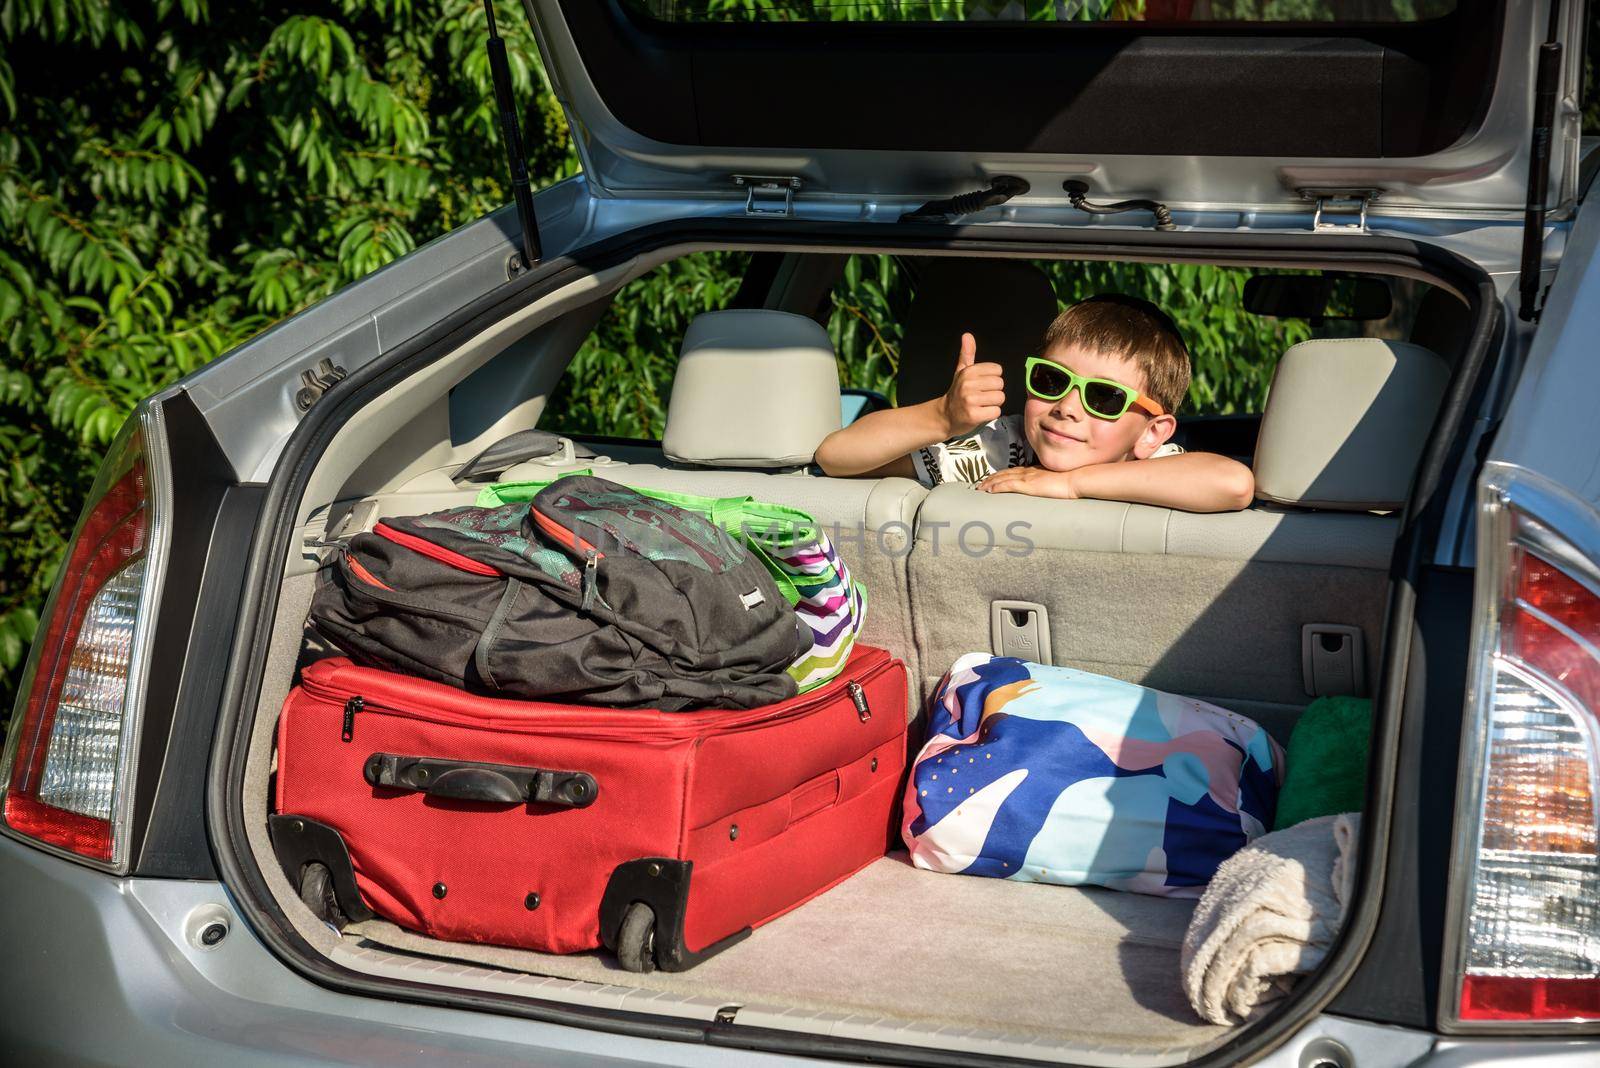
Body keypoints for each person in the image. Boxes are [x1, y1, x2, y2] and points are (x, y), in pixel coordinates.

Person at [813, 295, 1254, 513]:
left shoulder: (1156, 464)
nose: (1067, 406)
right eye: (1052, 380)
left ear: (1152, 432)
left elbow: (1233, 483)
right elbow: (835, 458)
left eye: (1104, 397)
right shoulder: (1003, 447)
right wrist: (940, 416)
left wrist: (1073, 485)